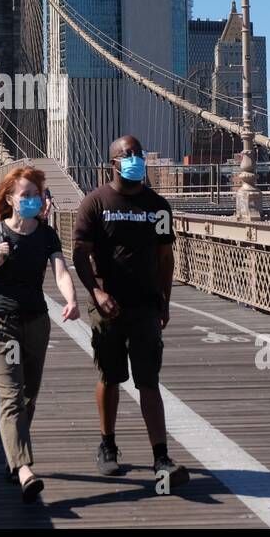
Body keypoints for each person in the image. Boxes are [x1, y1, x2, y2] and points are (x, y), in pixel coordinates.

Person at [72, 135, 189, 489]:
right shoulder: (95, 203)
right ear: (113, 162)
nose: (135, 159)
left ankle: (161, 456)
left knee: (149, 381)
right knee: (110, 377)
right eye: (127, 155)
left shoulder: (158, 206)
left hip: (145, 307)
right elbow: (79, 253)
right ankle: (107, 446)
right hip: (107, 306)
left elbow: (165, 257)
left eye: (138, 153)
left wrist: (164, 301)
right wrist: (95, 291)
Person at [0, 166, 79, 501]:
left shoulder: (46, 234)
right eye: (26, 195)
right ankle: (25, 468)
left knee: (29, 394)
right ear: (11, 199)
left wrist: (71, 299)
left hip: (36, 324)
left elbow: (59, 270)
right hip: (3, 324)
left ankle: (12, 457)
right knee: (11, 396)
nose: (33, 200)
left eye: (37, 195)